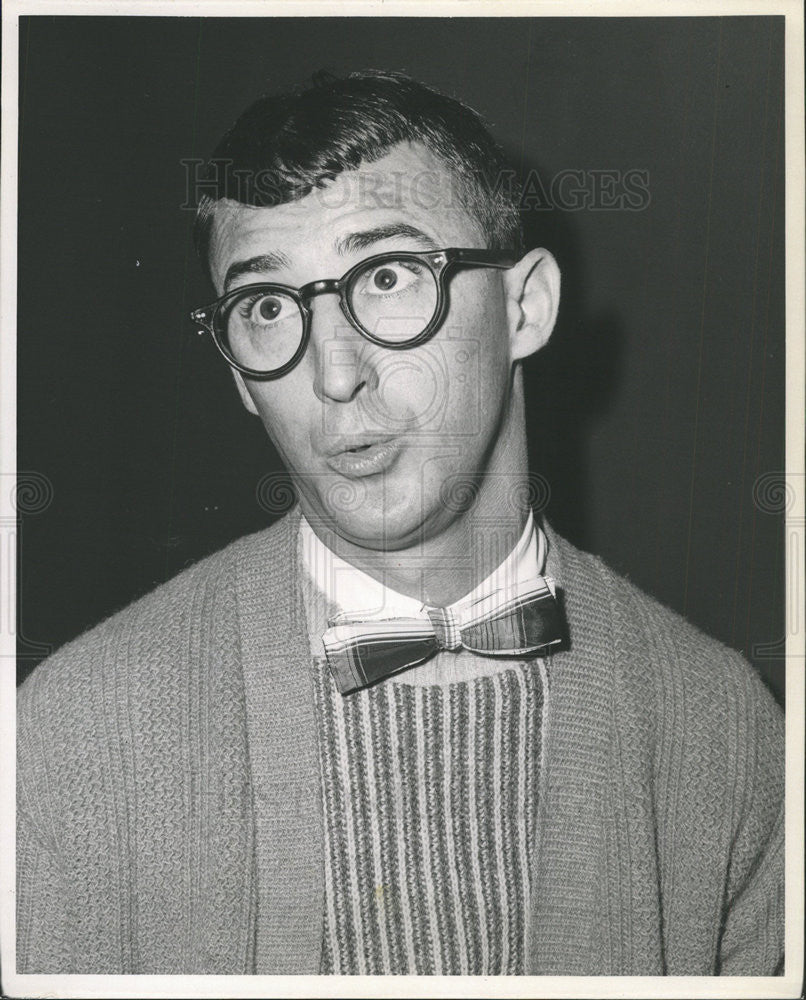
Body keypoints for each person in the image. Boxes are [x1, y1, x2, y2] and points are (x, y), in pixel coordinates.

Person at [16, 70, 783, 977]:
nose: (336, 373)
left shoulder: (725, 729)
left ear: (523, 306)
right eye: (267, 307)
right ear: (237, 373)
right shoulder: (72, 732)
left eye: (386, 277)